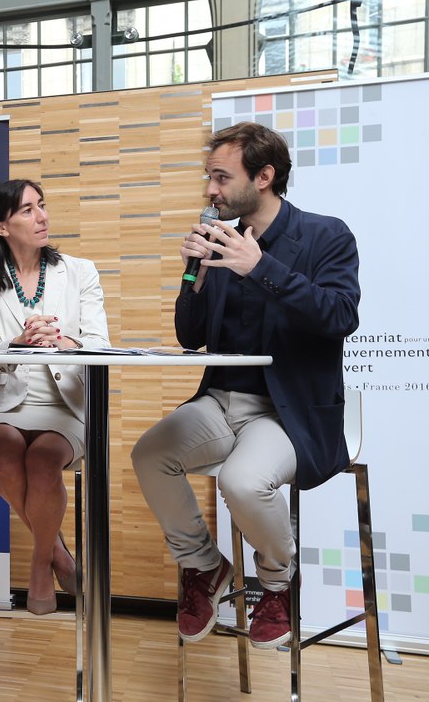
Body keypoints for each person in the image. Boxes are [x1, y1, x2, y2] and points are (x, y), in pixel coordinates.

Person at [132, 122, 360, 649]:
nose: (210, 191)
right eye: (208, 178)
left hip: (287, 410)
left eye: (220, 177)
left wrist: (262, 269)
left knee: (241, 481)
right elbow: (190, 336)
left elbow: (340, 315)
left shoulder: (325, 235)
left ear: (264, 176)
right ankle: (204, 567)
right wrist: (196, 274)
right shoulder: (217, 240)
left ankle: (277, 582)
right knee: (150, 455)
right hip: (220, 401)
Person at [0, 179, 110, 615]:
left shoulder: (80, 271)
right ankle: (59, 555)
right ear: (1, 226)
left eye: (41, 206)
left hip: (64, 401)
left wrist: (64, 340)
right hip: (6, 401)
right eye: (27, 210)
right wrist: (18, 342)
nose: (42, 216)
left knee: (43, 460)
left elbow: (100, 345)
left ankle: (38, 564)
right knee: (8, 452)